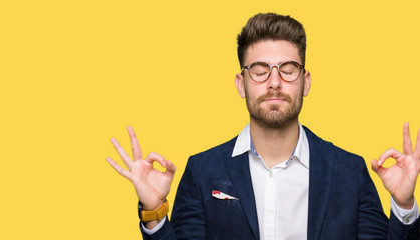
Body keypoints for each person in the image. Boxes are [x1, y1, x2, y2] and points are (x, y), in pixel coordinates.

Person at [106, 13, 420, 239]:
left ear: (305, 82)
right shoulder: (202, 172)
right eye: (259, 70)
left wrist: (404, 205)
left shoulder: (350, 172)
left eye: (287, 69)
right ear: (241, 84)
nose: (274, 82)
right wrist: (154, 211)